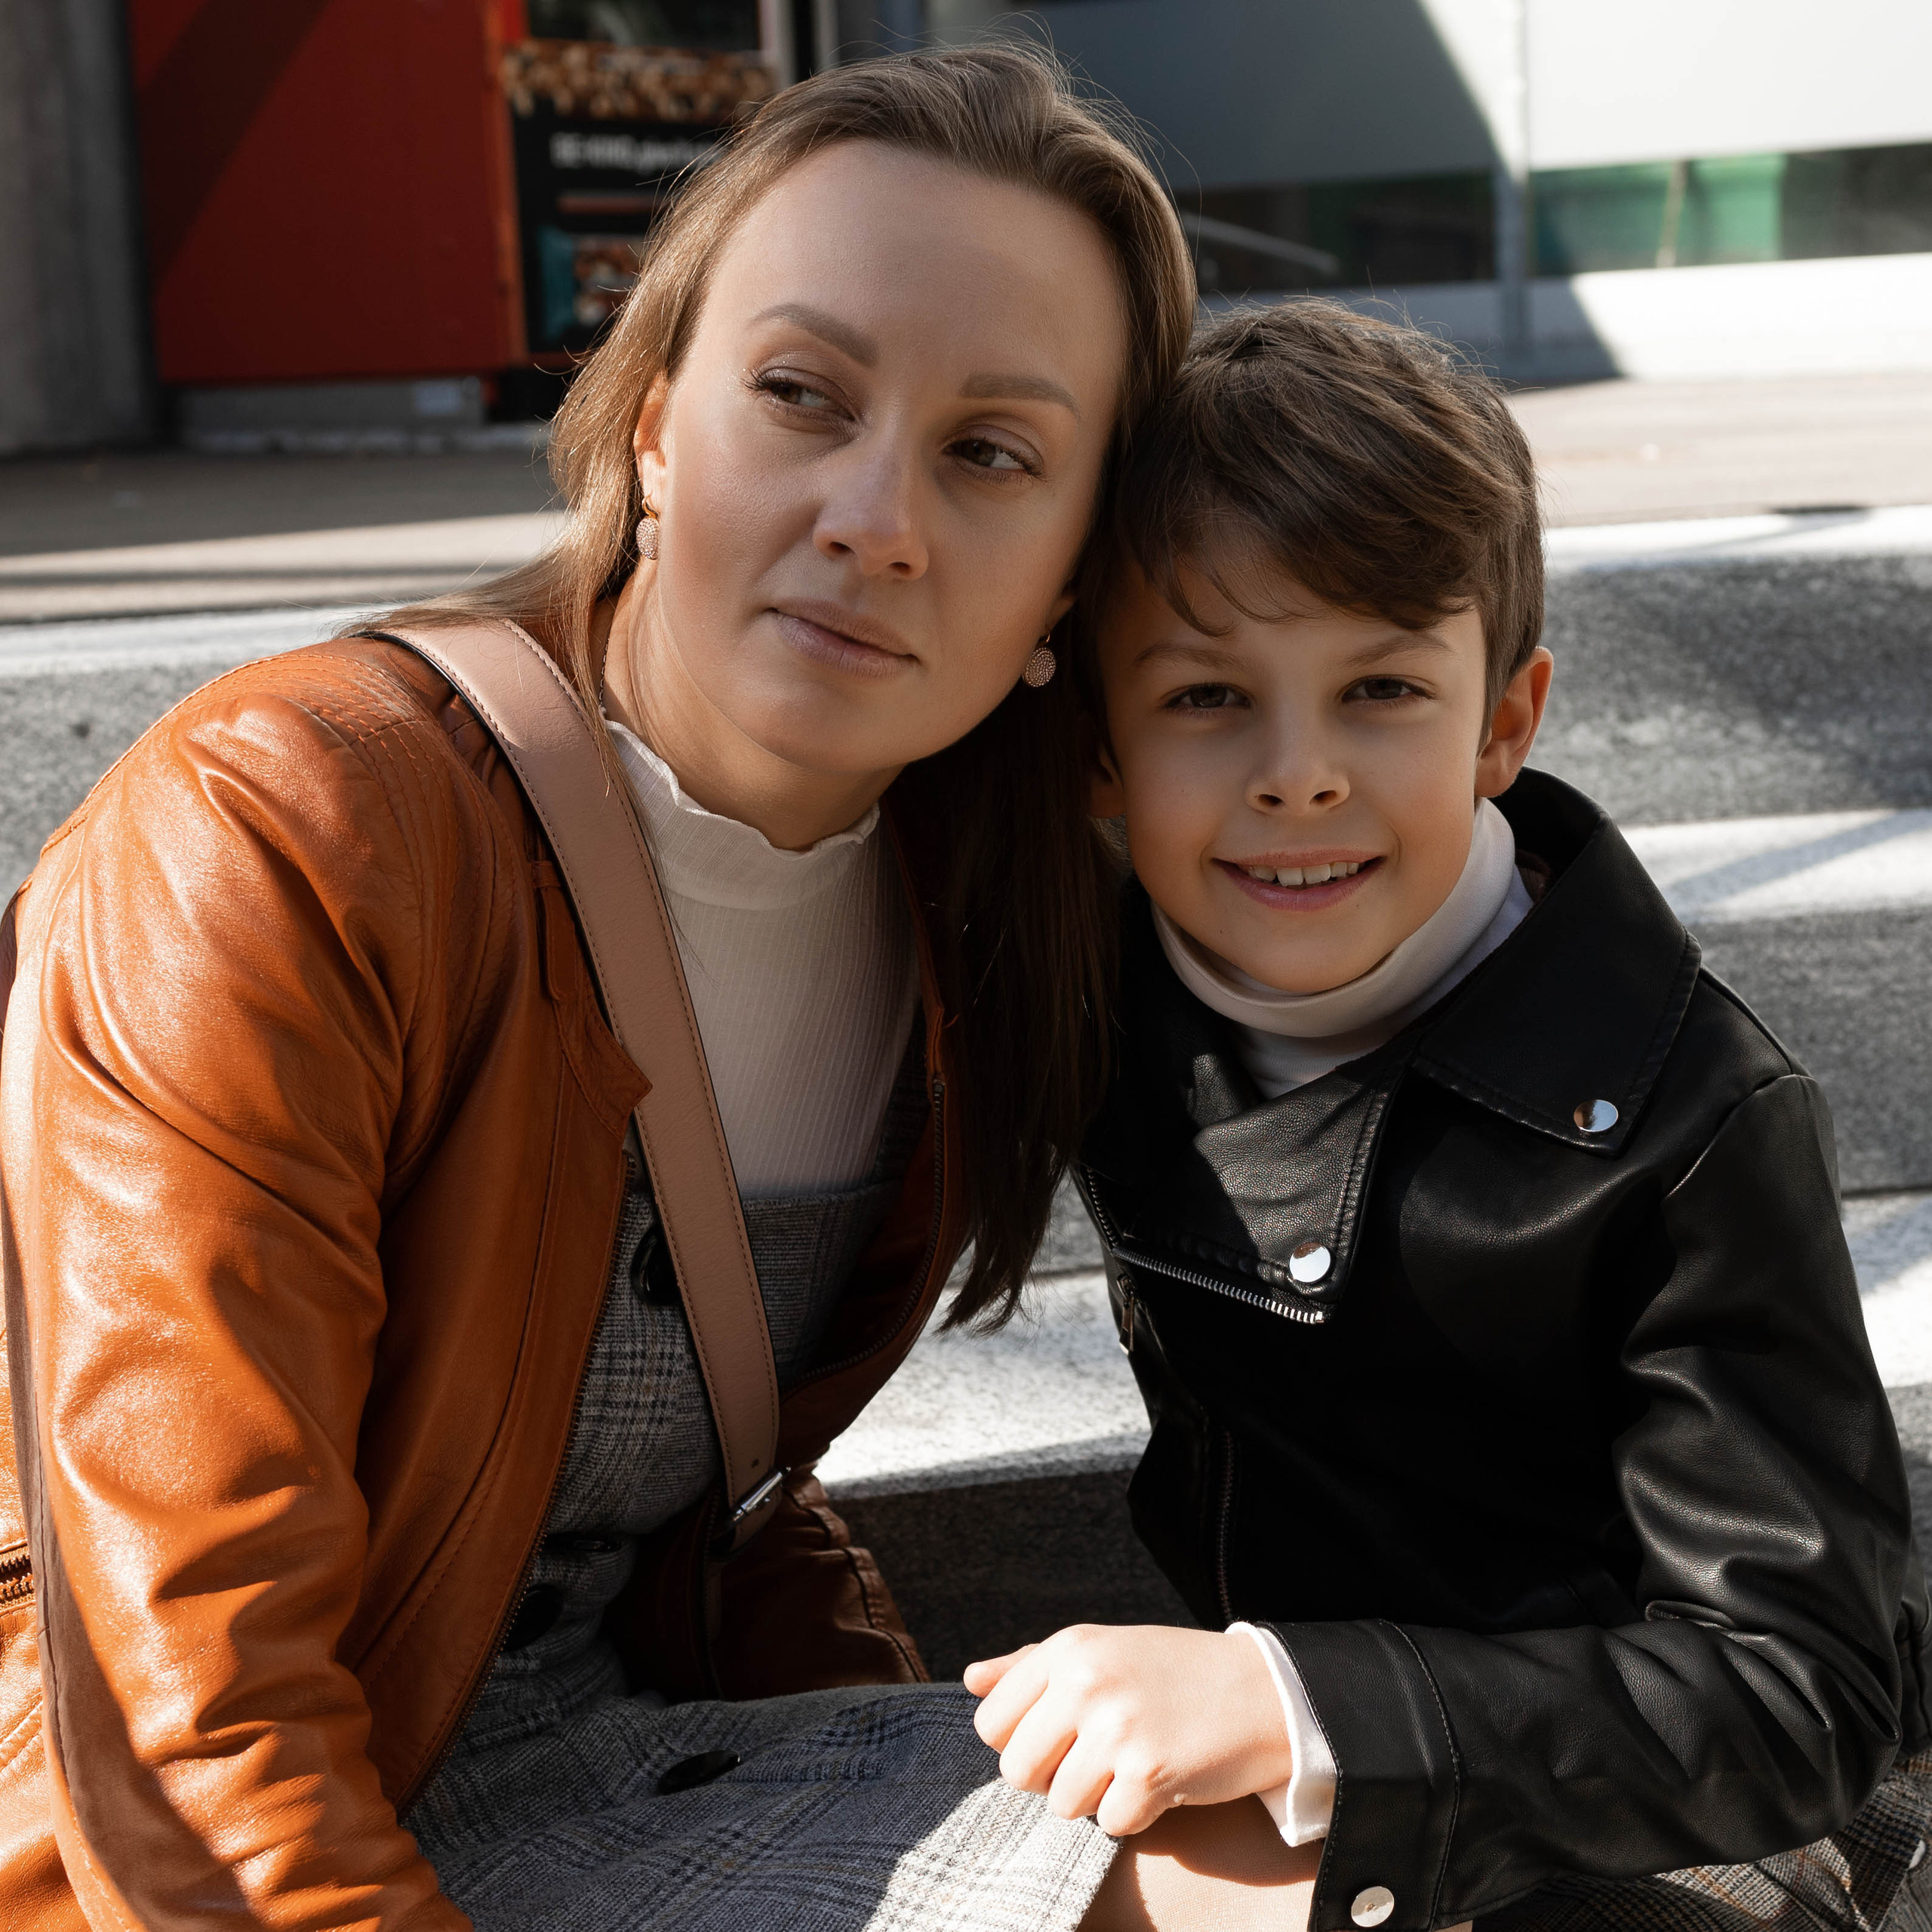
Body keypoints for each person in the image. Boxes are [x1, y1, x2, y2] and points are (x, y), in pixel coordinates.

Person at [0, 48, 1256, 1932]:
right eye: (799, 394)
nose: (875, 514)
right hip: (158, 1842)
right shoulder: (283, 829)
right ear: (657, 423)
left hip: (589, 1762)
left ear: (1075, 576)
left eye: (990, 451)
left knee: (1318, 1859)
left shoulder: (960, 919)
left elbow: (693, 1500)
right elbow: (185, 1715)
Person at [967, 303, 1932, 1932]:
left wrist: (1301, 1701)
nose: (1297, 774)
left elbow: (1796, 1689)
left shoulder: (1692, 1115)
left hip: (1673, 1815)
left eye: (1379, 689)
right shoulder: (1102, 995)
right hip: (1284, 1758)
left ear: (1502, 719)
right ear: (1098, 754)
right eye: (1206, 696)